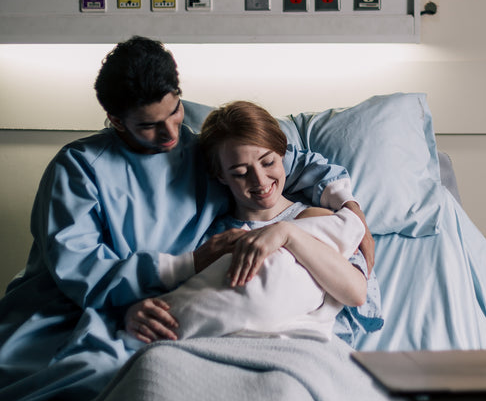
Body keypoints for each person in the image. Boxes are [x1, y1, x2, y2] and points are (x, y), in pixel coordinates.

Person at [0, 36, 374, 401]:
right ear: (116, 120)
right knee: (99, 375)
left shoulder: (201, 146)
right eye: (148, 125)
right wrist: (156, 288)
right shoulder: (79, 168)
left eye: (175, 111)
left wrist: (348, 204)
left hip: (165, 307)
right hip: (73, 310)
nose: (169, 134)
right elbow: (79, 272)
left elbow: (278, 156)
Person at [123, 100, 371, 346]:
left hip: (296, 348)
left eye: (268, 162)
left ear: (282, 154)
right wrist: (137, 314)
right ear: (220, 175)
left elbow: (356, 293)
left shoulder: (316, 219)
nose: (260, 180)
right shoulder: (212, 238)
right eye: (240, 172)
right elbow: (185, 298)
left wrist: (287, 233)